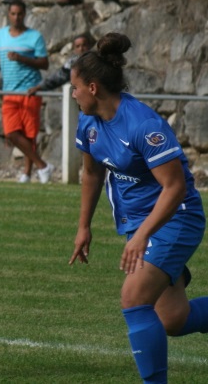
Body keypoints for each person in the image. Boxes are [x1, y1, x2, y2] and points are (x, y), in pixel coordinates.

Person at [69, 32, 208, 384]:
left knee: (132, 298)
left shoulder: (143, 125)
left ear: (94, 87)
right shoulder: (88, 122)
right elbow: (90, 174)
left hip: (177, 217)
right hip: (141, 224)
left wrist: (142, 235)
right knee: (172, 319)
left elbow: (175, 188)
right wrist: (84, 227)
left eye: (75, 87)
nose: (72, 94)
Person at [0, 0, 54, 183]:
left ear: (25, 15)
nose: (16, 17)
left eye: (20, 14)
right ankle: (43, 166)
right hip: (8, 93)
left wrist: (21, 58)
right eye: (13, 14)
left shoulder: (35, 36)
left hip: (30, 91)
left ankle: (27, 174)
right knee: (11, 133)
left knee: (29, 135)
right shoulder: (0, 35)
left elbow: (44, 63)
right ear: (8, 15)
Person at [26, 33, 92, 96]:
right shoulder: (72, 63)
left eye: (84, 45)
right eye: (78, 46)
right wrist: (39, 87)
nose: (81, 49)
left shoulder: (96, 61)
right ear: (74, 49)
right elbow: (58, 78)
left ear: (89, 46)